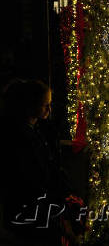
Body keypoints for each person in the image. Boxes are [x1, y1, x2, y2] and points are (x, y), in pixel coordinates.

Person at [0, 80, 76, 245]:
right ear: (29, 106)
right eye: (44, 105)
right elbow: (32, 173)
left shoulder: (40, 130)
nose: (49, 110)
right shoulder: (20, 136)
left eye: (49, 105)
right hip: (32, 206)